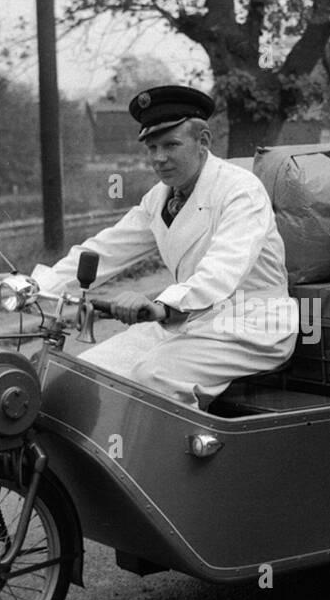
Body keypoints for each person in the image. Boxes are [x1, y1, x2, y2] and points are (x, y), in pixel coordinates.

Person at [31, 85, 297, 410]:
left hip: (249, 323)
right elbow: (109, 247)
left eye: (171, 145)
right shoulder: (159, 197)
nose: (159, 158)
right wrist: (39, 286)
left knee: (154, 377)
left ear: (203, 142)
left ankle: (189, 455)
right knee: (84, 375)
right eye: (152, 147)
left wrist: (160, 306)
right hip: (188, 321)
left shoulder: (240, 190)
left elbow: (222, 270)